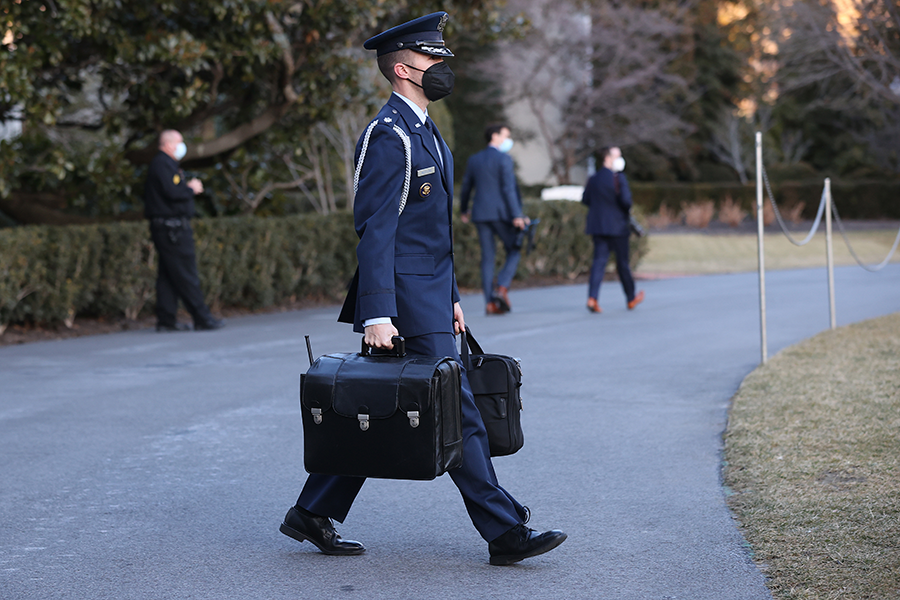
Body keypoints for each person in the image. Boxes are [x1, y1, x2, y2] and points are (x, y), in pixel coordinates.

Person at [279, 12, 566, 566]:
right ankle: (505, 532)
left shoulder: (425, 130)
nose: (442, 68)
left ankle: (313, 511)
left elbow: (433, 233)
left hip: (430, 298)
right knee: (458, 415)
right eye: (433, 61)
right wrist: (379, 313)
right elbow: (375, 233)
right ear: (405, 69)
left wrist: (453, 295)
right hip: (404, 304)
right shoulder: (388, 136)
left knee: (375, 404)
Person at [143, 130, 224, 332]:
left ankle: (166, 320)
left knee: (168, 276)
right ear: (168, 144)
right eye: (180, 142)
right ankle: (202, 318)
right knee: (186, 273)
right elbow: (172, 192)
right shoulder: (162, 164)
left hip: (170, 228)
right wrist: (191, 189)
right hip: (172, 230)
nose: (182, 146)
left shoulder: (165, 164)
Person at [460, 124, 528, 314]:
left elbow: (466, 187)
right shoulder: (504, 159)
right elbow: (508, 189)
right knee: (515, 249)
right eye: (506, 136)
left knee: (487, 258)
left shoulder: (475, 159)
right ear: (495, 136)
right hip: (501, 215)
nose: (508, 140)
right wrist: (517, 215)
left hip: (480, 214)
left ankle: (490, 303)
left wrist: (464, 210)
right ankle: (502, 287)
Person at [581, 146, 644, 313]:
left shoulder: (593, 179)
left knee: (599, 262)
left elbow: (585, 199)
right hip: (618, 227)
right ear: (607, 158)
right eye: (617, 156)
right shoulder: (618, 178)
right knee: (622, 263)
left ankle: (592, 297)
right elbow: (626, 202)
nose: (620, 159)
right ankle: (630, 298)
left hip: (598, 227)